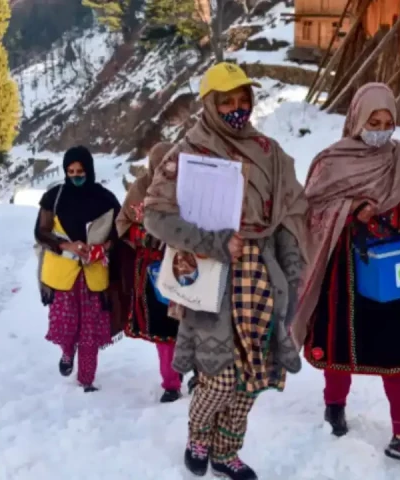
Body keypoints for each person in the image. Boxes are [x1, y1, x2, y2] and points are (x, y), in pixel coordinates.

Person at [142, 62, 307, 480]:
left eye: (243, 100)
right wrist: (213, 243)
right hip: (210, 281)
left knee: (251, 378)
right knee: (217, 379)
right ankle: (198, 437)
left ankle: (226, 451)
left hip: (260, 280)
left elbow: (290, 215)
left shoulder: (270, 154)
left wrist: (292, 272)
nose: (238, 108)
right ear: (209, 105)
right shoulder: (189, 154)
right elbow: (156, 216)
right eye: (226, 101)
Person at [291, 83, 400, 469]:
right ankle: (334, 407)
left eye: (388, 122)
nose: (382, 129)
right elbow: (312, 208)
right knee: (340, 342)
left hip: (393, 272)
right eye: (374, 121)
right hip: (345, 271)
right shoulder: (331, 162)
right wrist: (352, 208)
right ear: (357, 120)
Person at [115, 143, 199, 403]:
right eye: (163, 165)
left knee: (194, 322)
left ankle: (199, 373)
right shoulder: (141, 190)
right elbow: (123, 223)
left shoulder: (193, 190)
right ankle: (171, 383)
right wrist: (146, 235)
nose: (168, 170)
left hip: (189, 266)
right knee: (165, 329)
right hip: (152, 270)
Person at [35, 146, 122, 392]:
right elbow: (41, 232)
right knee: (66, 325)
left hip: (94, 275)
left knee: (90, 330)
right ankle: (66, 352)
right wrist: (67, 245)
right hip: (64, 275)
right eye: (70, 171)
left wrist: (103, 248)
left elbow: (119, 232)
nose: (75, 176)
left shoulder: (105, 199)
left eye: (80, 171)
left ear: (90, 170)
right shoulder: (55, 196)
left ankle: (86, 379)